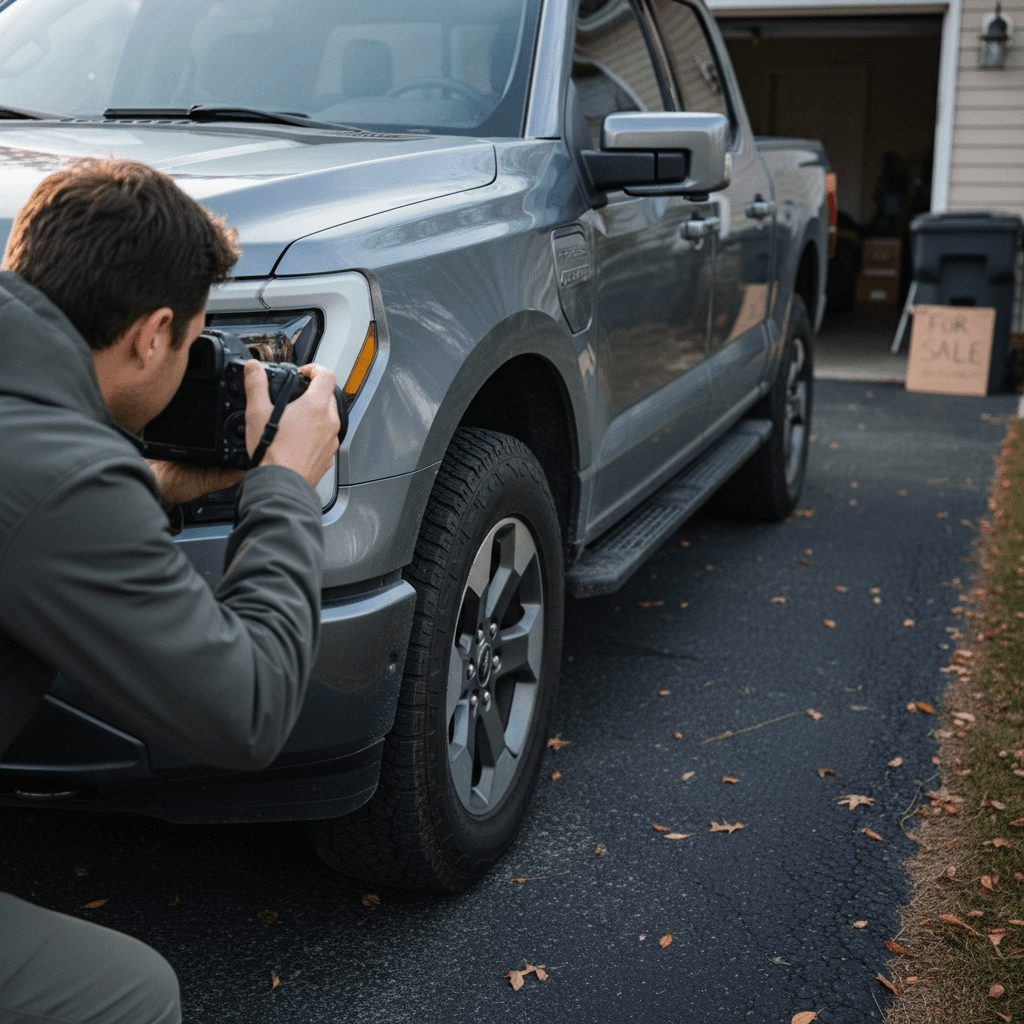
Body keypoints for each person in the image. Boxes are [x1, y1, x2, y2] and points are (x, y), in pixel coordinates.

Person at [0, 159, 341, 1023]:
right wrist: (287, 484)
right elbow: (247, 711)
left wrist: (151, 482)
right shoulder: (64, 474)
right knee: (128, 993)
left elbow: (31, 511)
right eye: (191, 345)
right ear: (153, 334)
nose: (189, 364)